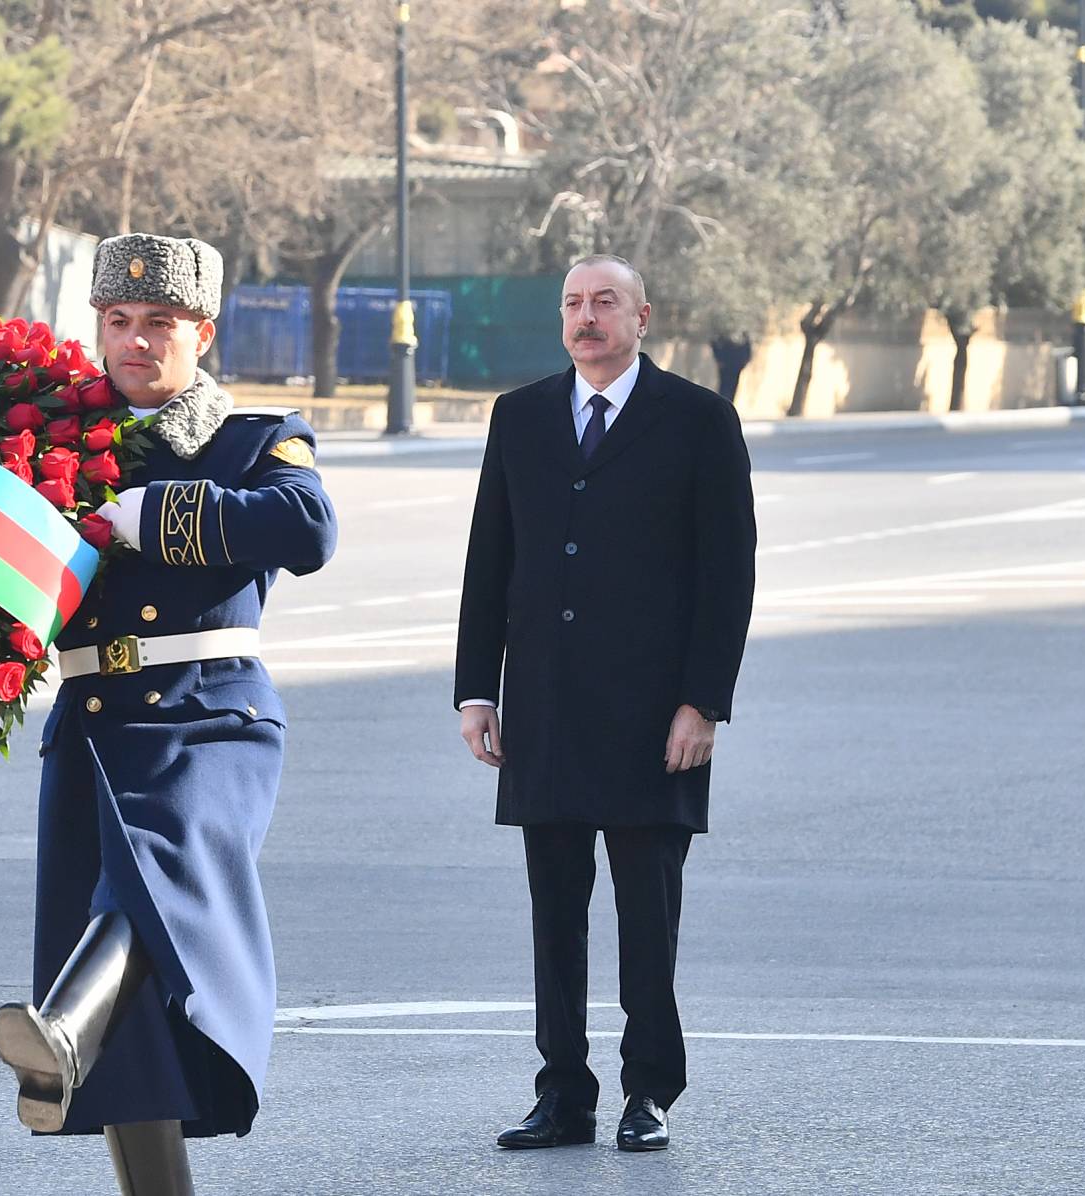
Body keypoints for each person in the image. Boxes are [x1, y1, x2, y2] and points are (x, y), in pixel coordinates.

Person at [0, 234, 336, 1195]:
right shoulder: (48, 438)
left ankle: (58, 1029)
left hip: (207, 717)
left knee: (158, 874)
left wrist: (158, 514)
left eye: (160, 324)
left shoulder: (254, 435)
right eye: (119, 322)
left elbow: (307, 527)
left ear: (203, 333)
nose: (137, 342)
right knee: (131, 1028)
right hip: (93, 725)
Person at [454, 254, 756, 1153]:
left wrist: (702, 703)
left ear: (642, 317)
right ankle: (563, 1093)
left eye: (606, 303)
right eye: (574, 305)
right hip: (543, 708)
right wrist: (478, 689)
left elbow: (726, 576)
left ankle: (649, 1091)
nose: (587, 318)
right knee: (555, 912)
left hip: (652, 717)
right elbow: (489, 560)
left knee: (646, 913)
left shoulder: (699, 420)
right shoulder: (520, 417)